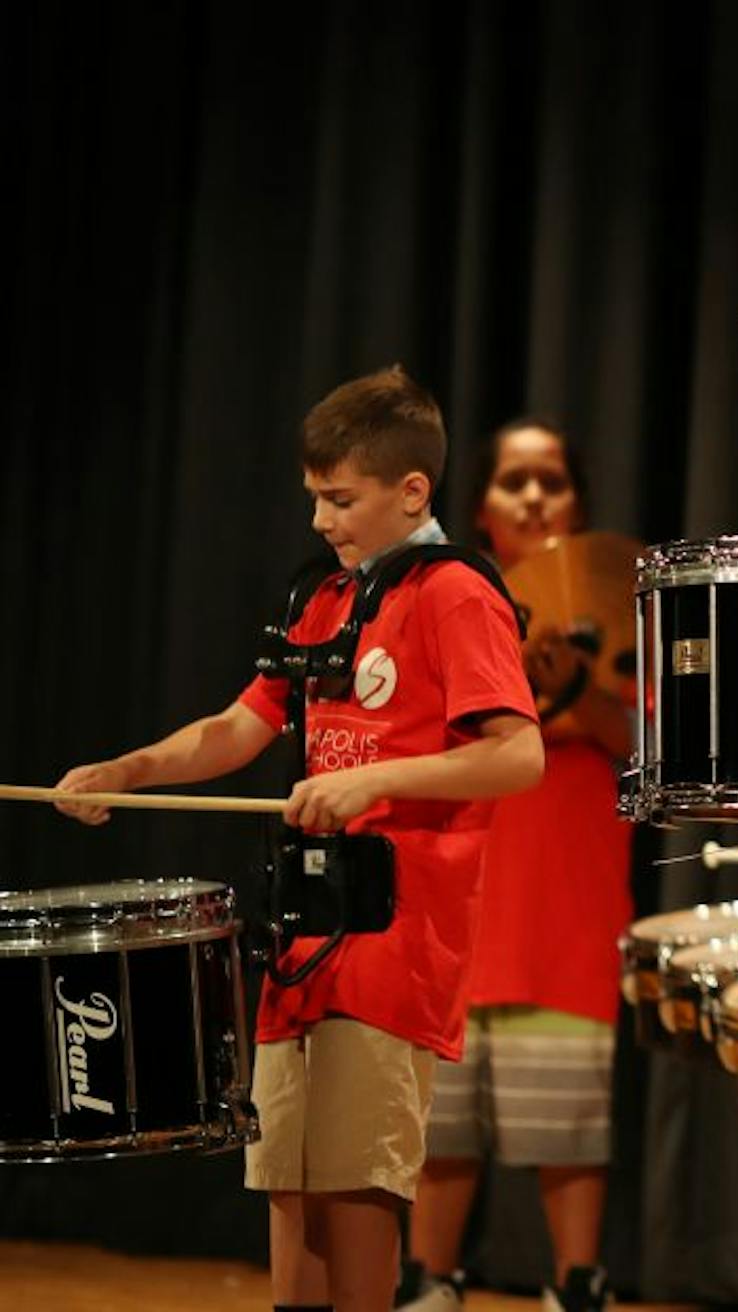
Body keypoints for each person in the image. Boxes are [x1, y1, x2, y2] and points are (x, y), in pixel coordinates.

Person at [56, 365, 543, 1312]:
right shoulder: (320, 597)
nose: (322, 519)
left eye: (340, 498)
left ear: (413, 491)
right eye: (315, 497)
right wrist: (129, 769)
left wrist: (374, 778)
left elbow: (517, 757)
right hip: (303, 932)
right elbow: (240, 726)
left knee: (356, 1184)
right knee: (288, 1176)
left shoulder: (455, 595)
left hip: (394, 932)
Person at [399, 421, 632, 1312]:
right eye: (513, 481)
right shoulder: (444, 601)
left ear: (578, 500)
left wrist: (580, 683)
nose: (534, 497)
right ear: (481, 507)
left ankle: (577, 1285)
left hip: (565, 903)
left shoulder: (618, 607)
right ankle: (430, 1280)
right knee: (440, 1119)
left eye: (552, 480)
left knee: (567, 1118)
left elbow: (644, 744)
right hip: (454, 892)